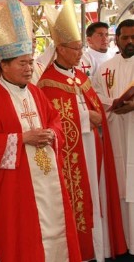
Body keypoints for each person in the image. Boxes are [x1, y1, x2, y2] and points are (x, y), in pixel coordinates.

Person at [0, 0, 81, 262]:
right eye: (22, 63)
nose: (29, 68)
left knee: (54, 228)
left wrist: (52, 133)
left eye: (30, 62)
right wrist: (22, 139)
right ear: (4, 66)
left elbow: (54, 120)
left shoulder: (35, 92)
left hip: (46, 176)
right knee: (21, 238)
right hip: (14, 185)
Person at [38, 0, 126, 261]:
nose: (80, 53)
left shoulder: (80, 76)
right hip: (72, 155)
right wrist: (86, 117)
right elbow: (53, 120)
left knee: (96, 196)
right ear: (60, 48)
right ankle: (84, 250)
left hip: (92, 148)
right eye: (75, 48)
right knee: (80, 197)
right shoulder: (48, 83)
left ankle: (101, 248)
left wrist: (95, 115)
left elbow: (95, 105)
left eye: (79, 48)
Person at [93, 19, 134, 252]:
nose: (129, 42)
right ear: (116, 38)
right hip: (115, 132)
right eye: (125, 37)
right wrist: (112, 105)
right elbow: (96, 94)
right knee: (119, 185)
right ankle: (123, 241)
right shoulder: (106, 67)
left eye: (133, 38)